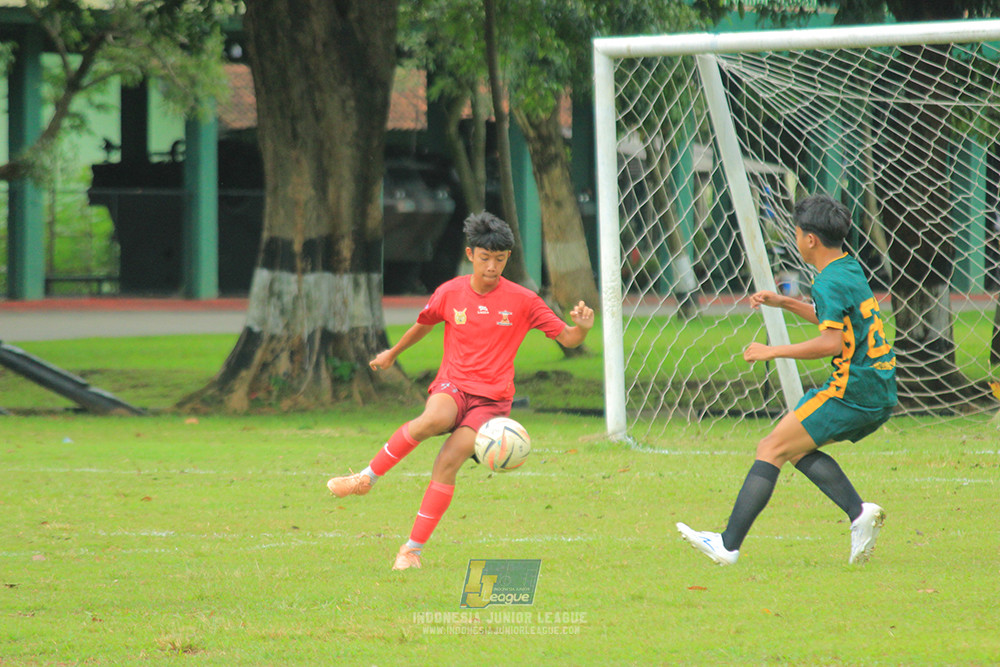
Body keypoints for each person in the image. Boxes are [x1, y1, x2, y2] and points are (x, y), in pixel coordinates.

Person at [327, 211, 595, 570]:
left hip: (492, 402)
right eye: (485, 258)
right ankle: (365, 478)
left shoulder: (524, 300)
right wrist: (392, 353)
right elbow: (424, 324)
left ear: (507, 259)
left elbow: (568, 338)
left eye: (499, 260)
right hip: (453, 385)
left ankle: (411, 552)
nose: (492, 267)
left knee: (447, 462)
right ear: (471, 255)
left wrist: (581, 328)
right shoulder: (450, 292)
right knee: (432, 419)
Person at [677, 193, 896, 566]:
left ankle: (728, 545)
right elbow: (839, 321)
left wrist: (771, 351)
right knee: (792, 447)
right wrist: (786, 303)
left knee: (770, 447)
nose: (795, 239)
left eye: (796, 233)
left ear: (809, 239)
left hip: (851, 390)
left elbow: (832, 341)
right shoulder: (848, 268)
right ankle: (859, 513)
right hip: (877, 386)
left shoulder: (828, 282)